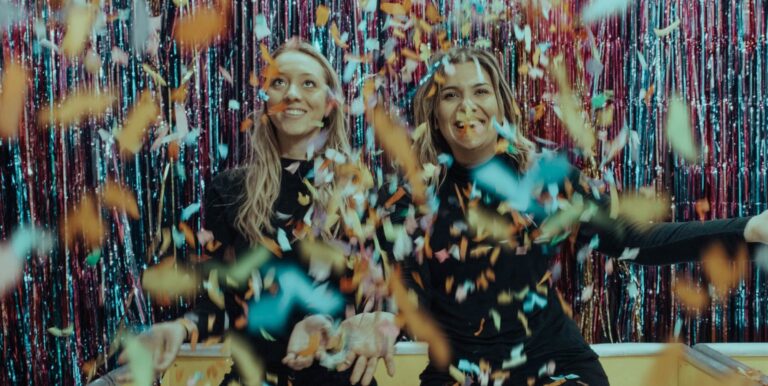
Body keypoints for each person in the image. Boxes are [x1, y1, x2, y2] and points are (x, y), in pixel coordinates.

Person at [380, 46, 768, 386]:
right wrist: (373, 321)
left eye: (481, 91)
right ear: (433, 111)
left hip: (557, 369)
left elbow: (634, 240)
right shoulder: (408, 200)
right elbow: (398, 294)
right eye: (451, 94)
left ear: (500, 104)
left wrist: (747, 229)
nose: (467, 106)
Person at [115, 39, 396, 386]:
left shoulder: (362, 190)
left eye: (308, 83)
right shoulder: (230, 190)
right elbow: (219, 302)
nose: (291, 93)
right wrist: (180, 327)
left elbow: (388, 299)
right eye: (279, 82)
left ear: (329, 104)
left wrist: (369, 324)